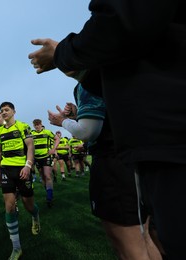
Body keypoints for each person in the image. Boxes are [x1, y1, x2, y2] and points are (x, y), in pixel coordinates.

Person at [28, 2, 186, 258]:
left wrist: (61, 56)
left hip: (132, 153)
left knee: (131, 244)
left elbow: (89, 132)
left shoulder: (108, 55)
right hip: (147, 145)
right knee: (152, 238)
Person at [48, 83, 161, 259]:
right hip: (128, 161)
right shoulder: (110, 75)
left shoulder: (88, 81)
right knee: (144, 237)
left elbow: (88, 132)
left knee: (129, 247)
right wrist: (78, 115)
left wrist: (62, 121)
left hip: (114, 164)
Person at [0, 101, 40, 260]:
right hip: (7, 170)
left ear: (14, 111)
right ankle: (16, 248)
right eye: (2, 110)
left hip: (22, 169)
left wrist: (28, 166)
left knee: (28, 205)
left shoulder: (23, 126)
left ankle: (35, 216)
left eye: (6, 110)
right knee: (9, 206)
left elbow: (30, 147)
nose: (4, 112)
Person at [31, 119, 58, 207]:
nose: (37, 126)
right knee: (42, 176)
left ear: (41, 124)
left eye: (38, 125)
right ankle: (49, 191)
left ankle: (49, 197)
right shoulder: (31, 134)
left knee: (47, 175)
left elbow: (57, 139)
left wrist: (53, 149)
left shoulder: (47, 132)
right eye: (35, 125)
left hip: (46, 157)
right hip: (37, 158)